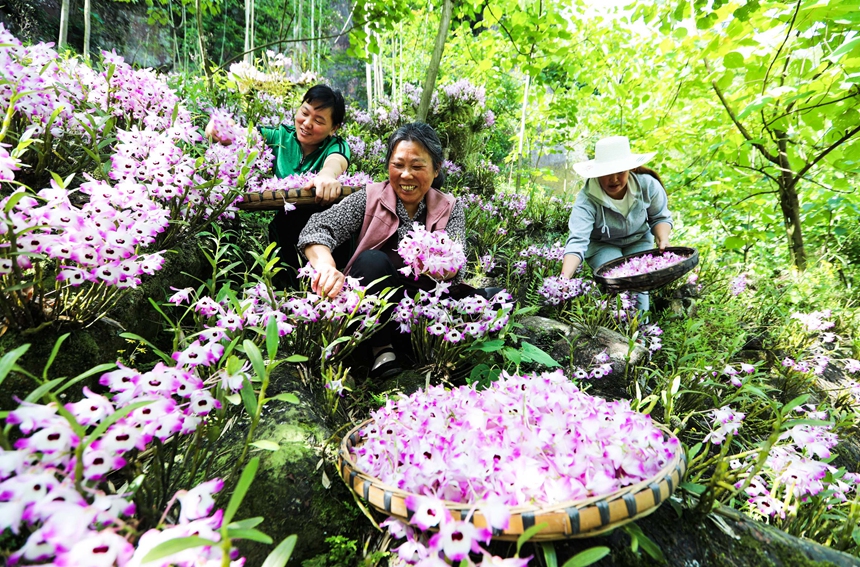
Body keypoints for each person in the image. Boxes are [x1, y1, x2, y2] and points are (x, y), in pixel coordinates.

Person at [297, 122, 469, 378]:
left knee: (491, 297)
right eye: (398, 165)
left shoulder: (450, 208)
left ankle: (431, 351)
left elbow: (458, 263)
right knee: (372, 261)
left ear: (436, 170)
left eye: (418, 166)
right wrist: (325, 266)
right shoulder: (369, 197)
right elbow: (317, 228)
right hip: (373, 312)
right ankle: (381, 352)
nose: (406, 175)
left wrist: (433, 265)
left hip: (423, 310)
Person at [205, 84, 351, 287]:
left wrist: (326, 176)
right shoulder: (280, 136)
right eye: (304, 113)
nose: (307, 123)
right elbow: (243, 135)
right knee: (282, 225)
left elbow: (336, 162)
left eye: (318, 120)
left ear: (333, 128)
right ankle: (290, 287)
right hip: (287, 221)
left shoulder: (335, 145)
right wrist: (219, 128)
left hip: (324, 220)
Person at [561, 136, 673, 312]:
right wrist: (565, 278)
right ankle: (615, 330)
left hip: (638, 240)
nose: (613, 179)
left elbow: (660, 218)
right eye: (606, 172)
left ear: (631, 168)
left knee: (638, 284)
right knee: (617, 281)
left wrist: (663, 238)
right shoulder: (587, 200)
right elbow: (577, 241)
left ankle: (641, 335)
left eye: (620, 172)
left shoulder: (648, 186)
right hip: (602, 245)